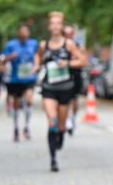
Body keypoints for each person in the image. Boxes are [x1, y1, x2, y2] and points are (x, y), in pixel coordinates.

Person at [36, 12, 87, 171]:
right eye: (53, 23)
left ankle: (61, 135)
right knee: (52, 121)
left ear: (62, 26)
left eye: (59, 23)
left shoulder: (69, 44)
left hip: (65, 88)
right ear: (49, 26)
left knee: (61, 125)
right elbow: (37, 58)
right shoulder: (43, 45)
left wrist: (68, 63)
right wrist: (36, 65)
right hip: (49, 88)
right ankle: (53, 160)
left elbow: (82, 60)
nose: (56, 26)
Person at [1, 23, 39, 142]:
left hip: (29, 78)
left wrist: (36, 66)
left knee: (29, 100)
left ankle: (26, 127)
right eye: (21, 31)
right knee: (16, 104)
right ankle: (16, 127)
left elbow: (37, 56)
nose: (23, 33)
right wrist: (9, 57)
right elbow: (1, 59)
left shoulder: (33, 44)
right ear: (18, 33)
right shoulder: (11, 45)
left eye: (25, 31)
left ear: (29, 33)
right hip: (15, 79)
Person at [63, 24, 85, 135]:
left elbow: (83, 60)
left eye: (70, 34)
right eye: (66, 34)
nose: (68, 36)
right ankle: (66, 121)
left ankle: (73, 119)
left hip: (76, 75)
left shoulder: (78, 46)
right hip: (64, 76)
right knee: (65, 101)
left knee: (75, 102)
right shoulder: (60, 46)